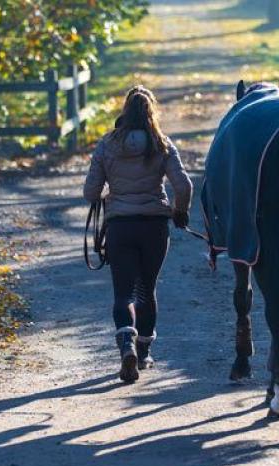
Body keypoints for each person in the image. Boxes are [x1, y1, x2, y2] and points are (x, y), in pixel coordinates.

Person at [84, 86, 193, 383]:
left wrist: (110, 194)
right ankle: (143, 353)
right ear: (151, 112)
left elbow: (90, 191)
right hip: (154, 227)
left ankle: (126, 347)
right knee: (147, 289)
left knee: (123, 293)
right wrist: (180, 212)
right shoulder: (162, 144)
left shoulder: (107, 145)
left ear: (124, 110)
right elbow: (183, 186)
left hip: (120, 226)